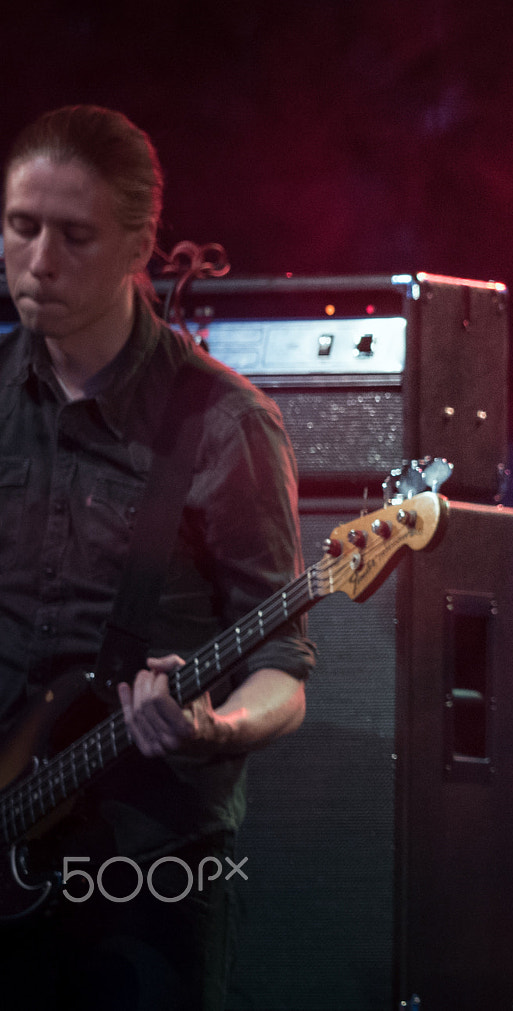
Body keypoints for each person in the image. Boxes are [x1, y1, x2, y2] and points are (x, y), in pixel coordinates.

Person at [0, 105, 314, 1010]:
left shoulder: (221, 423)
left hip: (144, 876)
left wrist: (220, 727)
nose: (41, 260)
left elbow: (283, 667)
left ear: (139, 243)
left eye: (76, 234)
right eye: (22, 226)